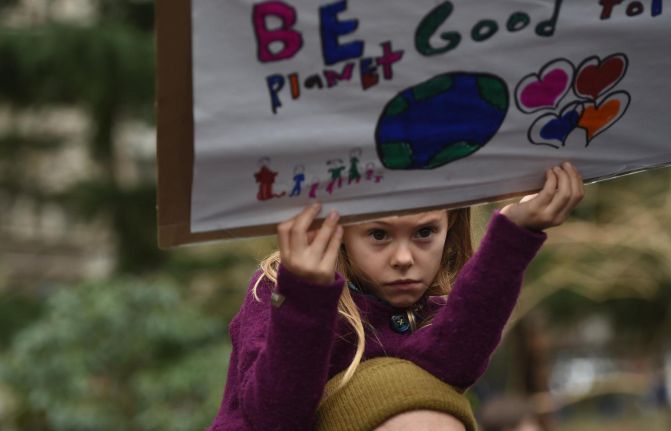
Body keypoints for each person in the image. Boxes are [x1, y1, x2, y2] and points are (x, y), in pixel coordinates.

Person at [208, 162, 584, 430]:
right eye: (378, 235)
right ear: (339, 231)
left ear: (449, 228)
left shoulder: (433, 311)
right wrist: (305, 295)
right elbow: (273, 418)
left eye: (424, 233)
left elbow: (451, 364)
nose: (403, 259)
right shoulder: (276, 286)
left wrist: (515, 233)